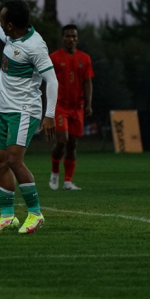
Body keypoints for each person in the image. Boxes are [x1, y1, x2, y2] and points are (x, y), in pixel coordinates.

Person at [0, 0, 58, 235]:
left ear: (12, 24)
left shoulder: (35, 46)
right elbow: (0, 32)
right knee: (0, 160)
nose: (3, 25)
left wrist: (49, 115)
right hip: (6, 110)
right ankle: (7, 216)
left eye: (4, 20)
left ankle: (35, 214)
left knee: (15, 160)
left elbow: (52, 81)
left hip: (25, 110)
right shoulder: (11, 36)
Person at [48, 24, 94, 190]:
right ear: (62, 38)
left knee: (73, 143)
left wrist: (88, 104)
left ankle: (68, 181)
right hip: (60, 105)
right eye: (68, 36)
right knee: (62, 140)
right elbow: (47, 81)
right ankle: (54, 173)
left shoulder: (85, 58)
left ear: (77, 38)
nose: (71, 39)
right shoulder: (54, 58)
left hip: (77, 107)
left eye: (74, 36)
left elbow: (88, 82)